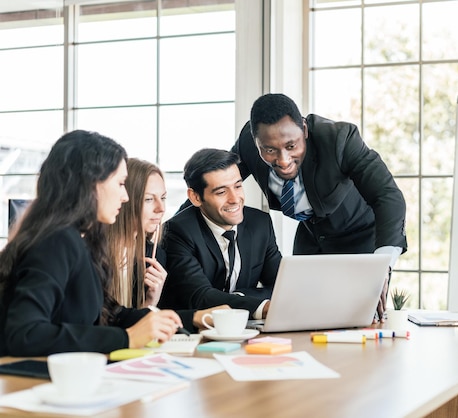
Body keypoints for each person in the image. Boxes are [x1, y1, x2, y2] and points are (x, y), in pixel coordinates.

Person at [0, 130, 182, 356]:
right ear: (91, 184)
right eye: (120, 183)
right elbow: (25, 334)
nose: (125, 197)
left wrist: (166, 320)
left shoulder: (83, 239)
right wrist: (128, 338)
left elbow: (109, 313)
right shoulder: (57, 241)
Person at [231, 93, 408, 319]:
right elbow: (215, 180)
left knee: (359, 319)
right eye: (270, 150)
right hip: (312, 237)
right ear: (256, 143)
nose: (283, 160)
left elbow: (388, 196)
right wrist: (176, 229)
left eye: (291, 145)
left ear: (304, 129)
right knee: (303, 314)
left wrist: (383, 265)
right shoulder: (249, 142)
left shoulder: (339, 139)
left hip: (359, 238)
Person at [105, 157, 229, 332]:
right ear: (125, 200)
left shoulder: (153, 254)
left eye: (163, 198)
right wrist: (193, 317)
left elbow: (134, 325)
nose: (161, 208)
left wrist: (150, 301)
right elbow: (105, 323)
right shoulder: (96, 253)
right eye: (149, 199)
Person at [160, 148, 281, 319]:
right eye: (221, 192)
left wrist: (239, 297)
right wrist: (260, 304)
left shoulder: (260, 224)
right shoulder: (176, 232)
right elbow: (200, 297)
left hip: (245, 329)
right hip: (193, 334)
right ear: (195, 197)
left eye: (238, 186)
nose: (234, 198)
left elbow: (281, 287)